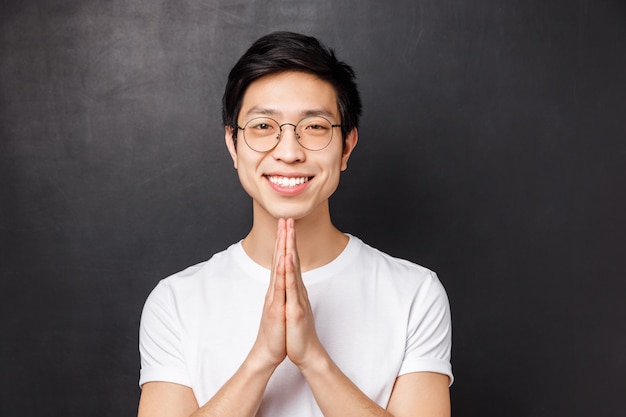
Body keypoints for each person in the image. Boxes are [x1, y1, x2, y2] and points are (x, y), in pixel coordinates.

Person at [137, 31, 453, 417]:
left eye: (315, 127)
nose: (289, 152)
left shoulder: (414, 294)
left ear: (347, 146)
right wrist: (262, 360)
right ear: (233, 145)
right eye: (263, 127)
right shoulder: (175, 301)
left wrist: (312, 359)